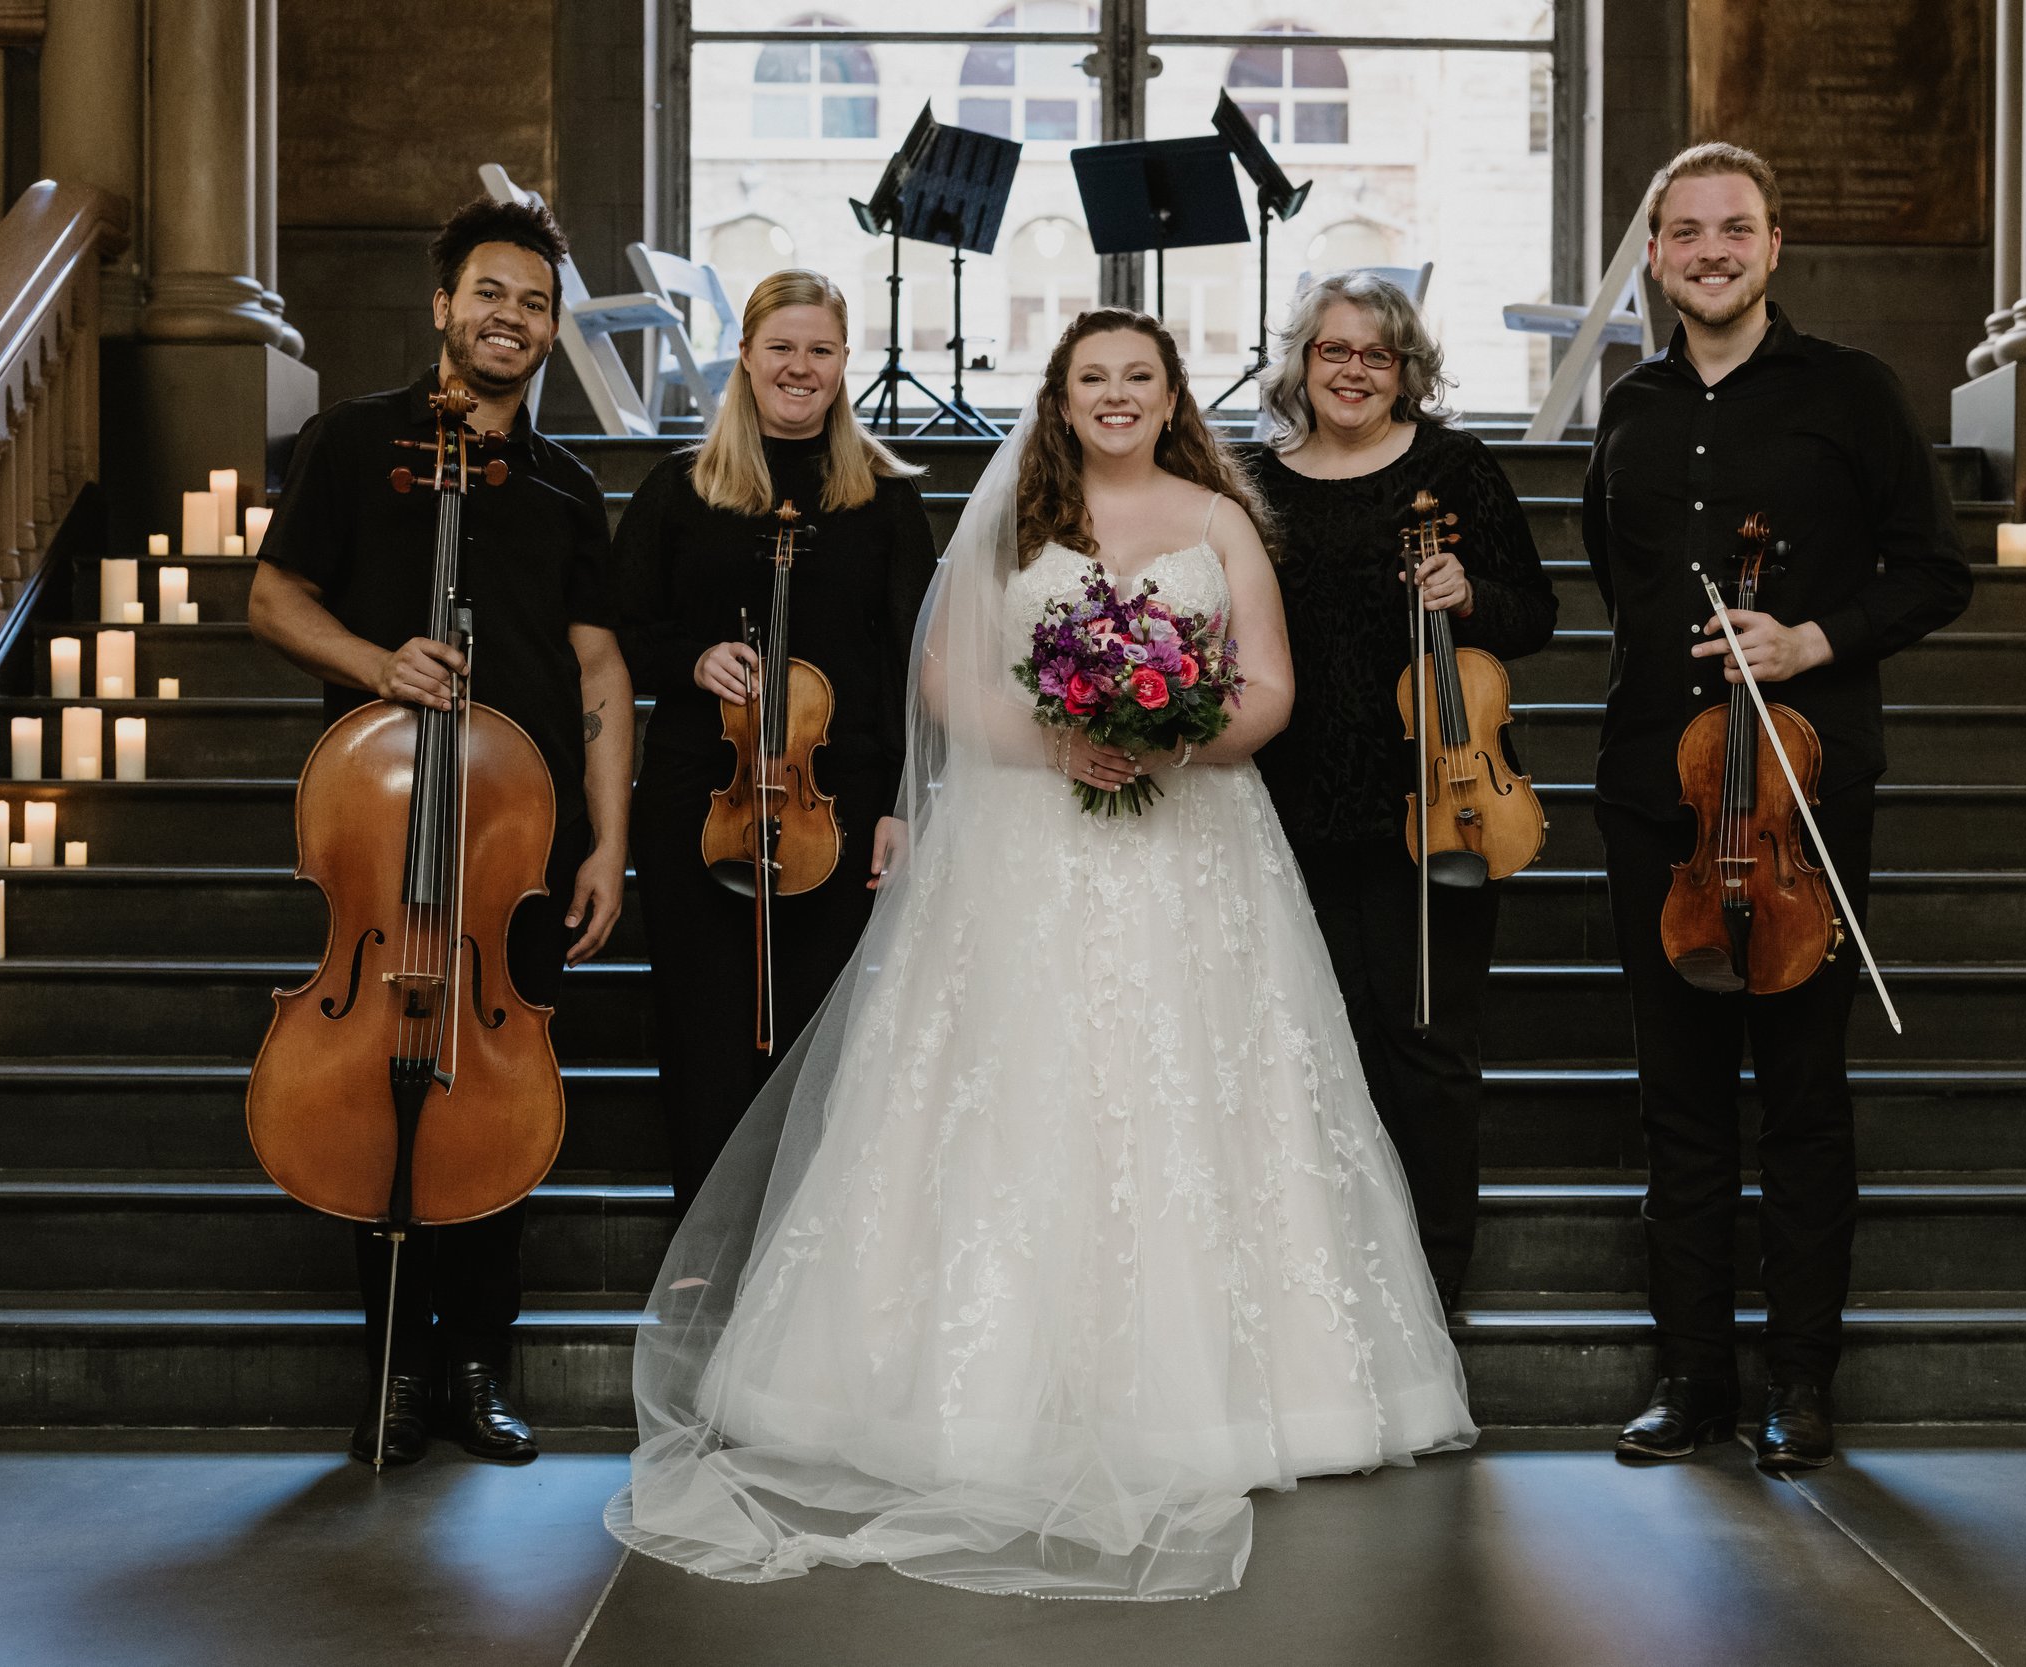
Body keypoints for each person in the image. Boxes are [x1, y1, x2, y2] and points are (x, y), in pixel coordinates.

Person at [605, 309, 1474, 1599]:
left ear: (1173, 392)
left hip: (1193, 844)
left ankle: (1238, 1398)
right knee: (1010, 1094)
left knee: (1195, 1094)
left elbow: (1272, 689)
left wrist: (1175, 731)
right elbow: (949, 682)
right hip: (1024, 840)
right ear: (1059, 399)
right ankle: (964, 1392)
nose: (1115, 397)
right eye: (1091, 380)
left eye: (1139, 376)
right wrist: (1063, 738)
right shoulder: (1011, 522)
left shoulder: (1221, 517)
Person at [1582, 144, 1970, 1471]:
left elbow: (1936, 572)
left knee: (1802, 1098)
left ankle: (1801, 1381)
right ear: (1655, 254)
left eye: (1733, 228)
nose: (1710, 249)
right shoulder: (1626, 406)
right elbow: (1620, 590)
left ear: (1775, 244)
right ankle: (1691, 1374)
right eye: (1684, 231)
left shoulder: (1853, 396)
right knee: (1678, 1102)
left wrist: (1813, 639)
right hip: (1656, 797)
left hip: (1802, 799)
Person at [250, 197, 635, 1467]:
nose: (509, 319)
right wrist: (378, 662)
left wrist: (606, 842)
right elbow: (272, 598)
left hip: (511, 854)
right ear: (442, 306)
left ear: (548, 326)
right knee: (373, 1099)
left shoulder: (569, 487)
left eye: (532, 302)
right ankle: (393, 1376)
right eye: (489, 294)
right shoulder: (356, 443)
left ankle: (478, 1365)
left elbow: (596, 673)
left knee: (497, 1102)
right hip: (379, 831)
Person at [1248, 271, 1557, 1310]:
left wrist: (1472, 592)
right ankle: (1332, 1292)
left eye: (1375, 355)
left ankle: (1433, 1283)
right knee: (1312, 1050)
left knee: (1428, 1048)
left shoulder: (1456, 468)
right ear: (1299, 363)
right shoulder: (1254, 483)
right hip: (1289, 806)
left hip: (1438, 797)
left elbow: (1534, 613)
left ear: (1407, 371)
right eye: (1333, 351)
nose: (1351, 371)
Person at [609, 270, 935, 1213]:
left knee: (817, 1025)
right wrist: (692, 659)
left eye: (821, 351)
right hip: (699, 797)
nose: (800, 367)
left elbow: (918, 664)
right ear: (746, 356)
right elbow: (621, 632)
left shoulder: (883, 497)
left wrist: (905, 805)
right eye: (781, 347)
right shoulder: (680, 489)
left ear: (844, 365)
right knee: (701, 1020)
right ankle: (700, 1244)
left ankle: (799, 1254)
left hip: (838, 803)